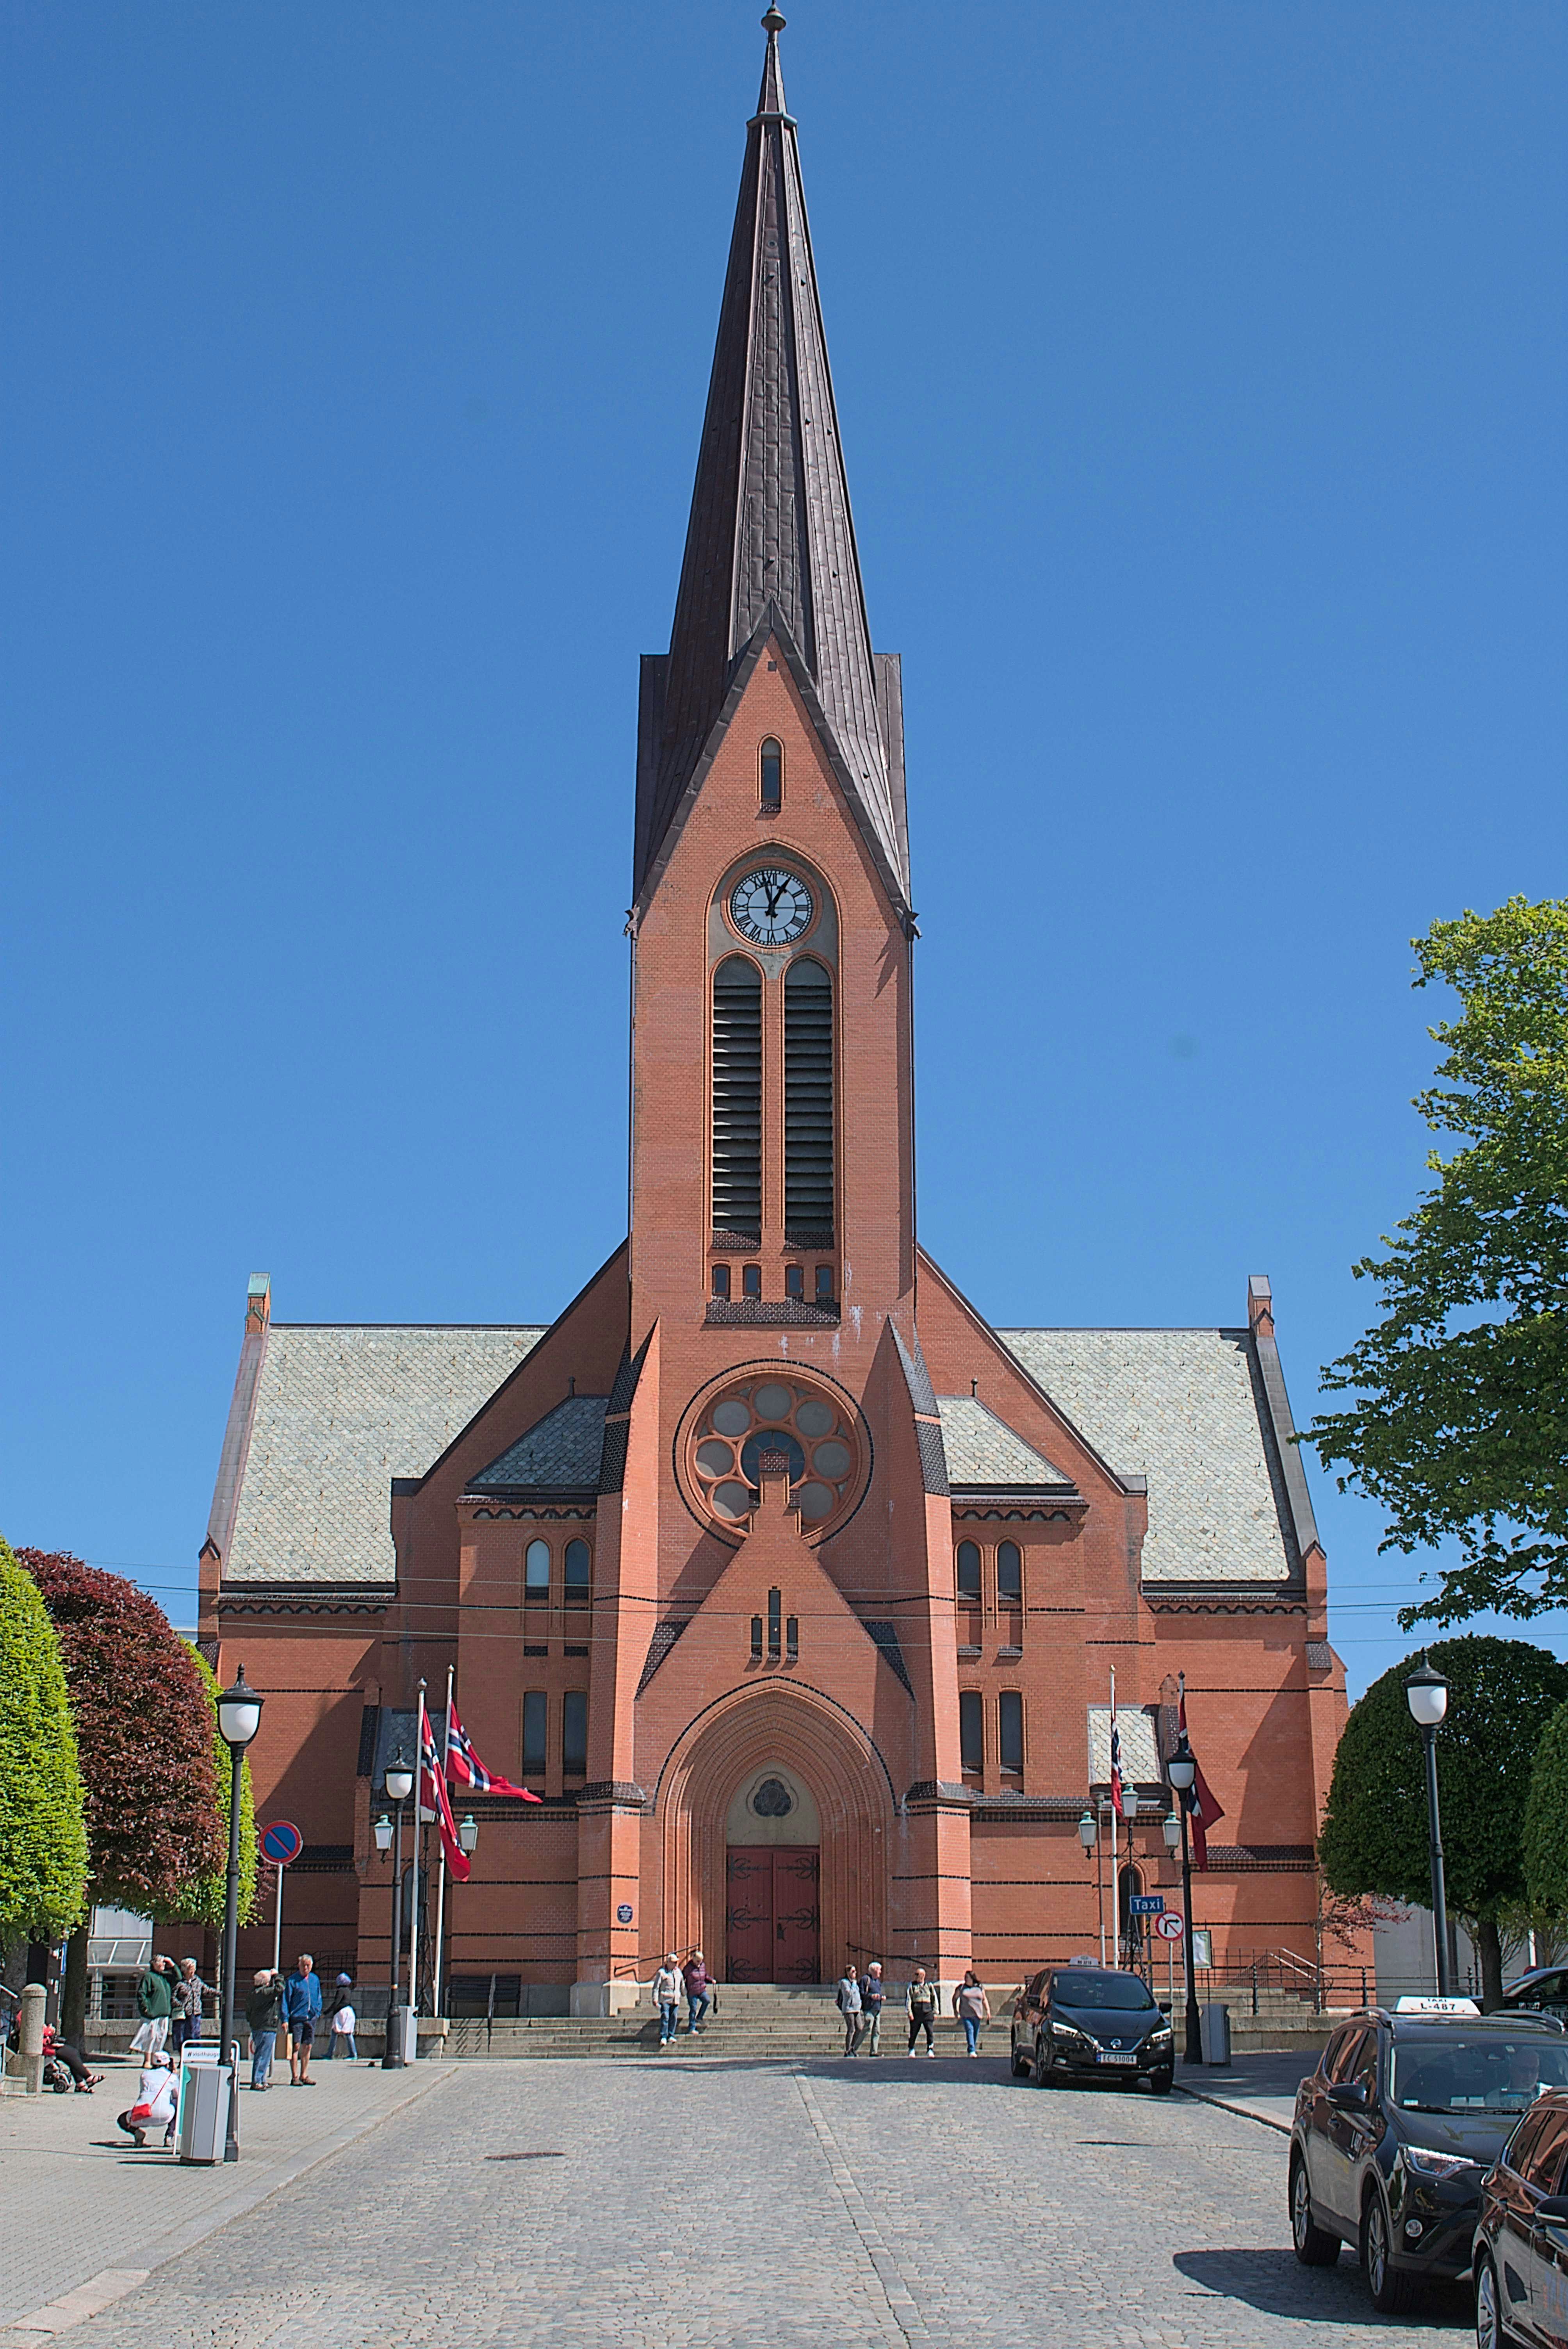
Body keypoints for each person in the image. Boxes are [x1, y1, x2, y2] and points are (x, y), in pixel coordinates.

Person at [117, 2051, 178, 2148]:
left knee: (122, 2119)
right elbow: (177, 2095)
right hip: (164, 2116)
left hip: (141, 2115)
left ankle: (137, 2132)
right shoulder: (172, 2077)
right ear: (168, 2063)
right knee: (177, 2102)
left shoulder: (144, 2075)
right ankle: (169, 2136)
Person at [283, 1952, 322, 2083]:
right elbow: (286, 2001)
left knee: (308, 2046)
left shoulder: (315, 1979)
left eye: (308, 1966)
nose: (305, 1968)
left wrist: (317, 2012)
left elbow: (319, 1997)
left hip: (311, 2018)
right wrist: (285, 2019)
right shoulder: (292, 1981)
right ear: (299, 1966)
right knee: (295, 2046)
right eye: (303, 1965)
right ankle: (294, 2077)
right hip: (297, 2019)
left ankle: (304, 2075)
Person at [246, 1967, 285, 2090]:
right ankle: (257, 2080)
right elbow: (280, 1989)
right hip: (266, 2026)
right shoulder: (264, 1993)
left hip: (258, 2026)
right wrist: (277, 1976)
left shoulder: (253, 1993)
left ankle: (262, 2079)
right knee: (263, 2055)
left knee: (265, 2054)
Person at [130, 1954, 174, 2058]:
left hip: (164, 2013)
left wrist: (172, 1965)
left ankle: (156, 2058)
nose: (164, 1964)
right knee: (150, 2036)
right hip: (153, 2013)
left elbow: (179, 1978)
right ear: (155, 1964)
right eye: (162, 1962)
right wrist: (146, 2008)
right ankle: (148, 2060)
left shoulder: (165, 1977)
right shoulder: (149, 1977)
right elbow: (142, 1993)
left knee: (161, 2037)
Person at [170, 1957, 208, 2054]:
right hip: (185, 2015)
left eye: (194, 1969)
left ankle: (195, 2055)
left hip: (196, 2013)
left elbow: (207, 1990)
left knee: (196, 2035)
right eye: (191, 1969)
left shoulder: (197, 1981)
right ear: (185, 1970)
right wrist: (182, 2005)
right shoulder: (180, 1984)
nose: (193, 1972)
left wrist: (221, 1994)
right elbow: (173, 1998)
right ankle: (185, 2056)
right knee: (184, 2036)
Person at [952, 1969, 991, 2056]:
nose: (966, 1979)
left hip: (977, 2014)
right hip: (966, 2014)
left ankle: (971, 2047)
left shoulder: (980, 1988)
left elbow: (984, 2000)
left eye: (968, 1977)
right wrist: (955, 2010)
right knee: (970, 2030)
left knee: (975, 2033)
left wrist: (988, 2010)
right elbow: (955, 1998)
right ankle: (972, 2050)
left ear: (972, 1978)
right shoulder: (962, 1988)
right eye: (965, 1977)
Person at [651, 1955, 682, 2048]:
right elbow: (656, 1987)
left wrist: (685, 1992)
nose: (676, 1964)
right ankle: (664, 2036)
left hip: (675, 1999)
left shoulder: (678, 1972)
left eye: (676, 1962)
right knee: (666, 2017)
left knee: (674, 2017)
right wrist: (655, 1999)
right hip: (665, 1999)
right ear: (668, 1962)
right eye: (674, 1962)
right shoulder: (662, 1973)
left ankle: (671, 2035)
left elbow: (682, 1984)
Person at [907, 1967, 939, 2056]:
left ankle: (930, 2049)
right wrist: (909, 2012)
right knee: (914, 2031)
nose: (916, 1976)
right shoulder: (912, 1986)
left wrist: (935, 2012)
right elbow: (909, 1999)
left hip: (927, 2011)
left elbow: (934, 1999)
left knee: (930, 2031)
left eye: (918, 1974)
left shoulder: (929, 1986)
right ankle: (911, 2048)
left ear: (923, 1975)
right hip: (916, 2011)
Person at [682, 1949, 713, 2035]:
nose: (699, 1963)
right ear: (693, 1959)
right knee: (693, 2009)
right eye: (698, 1961)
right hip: (692, 1992)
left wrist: (711, 1980)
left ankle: (699, 2017)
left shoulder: (703, 1966)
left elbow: (705, 1976)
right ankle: (692, 2028)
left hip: (701, 1989)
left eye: (701, 1961)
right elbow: (682, 1977)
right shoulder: (689, 1968)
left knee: (707, 2000)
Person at [836, 1964, 864, 2057]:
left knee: (860, 2028)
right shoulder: (844, 1982)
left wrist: (860, 2004)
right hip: (849, 2009)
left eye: (855, 1971)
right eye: (853, 1971)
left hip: (857, 2008)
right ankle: (847, 2050)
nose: (855, 1973)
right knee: (851, 2029)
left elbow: (858, 1994)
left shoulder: (854, 1982)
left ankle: (853, 2048)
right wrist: (854, 1985)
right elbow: (849, 1993)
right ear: (848, 1973)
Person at [860, 1962, 886, 2057]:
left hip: (877, 2008)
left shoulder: (878, 1981)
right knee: (867, 2029)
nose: (881, 1972)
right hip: (869, 2008)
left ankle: (874, 2051)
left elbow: (877, 1992)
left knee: (877, 2031)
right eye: (879, 1970)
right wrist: (871, 1996)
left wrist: (881, 1997)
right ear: (874, 1970)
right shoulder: (865, 1979)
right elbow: (862, 1993)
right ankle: (853, 2049)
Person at [329, 1988, 356, 2059]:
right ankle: (353, 2053)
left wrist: (327, 2012)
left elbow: (336, 2003)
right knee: (348, 2033)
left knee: (335, 2031)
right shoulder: (348, 1990)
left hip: (341, 2012)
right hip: (350, 2012)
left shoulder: (340, 1990)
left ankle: (330, 2053)